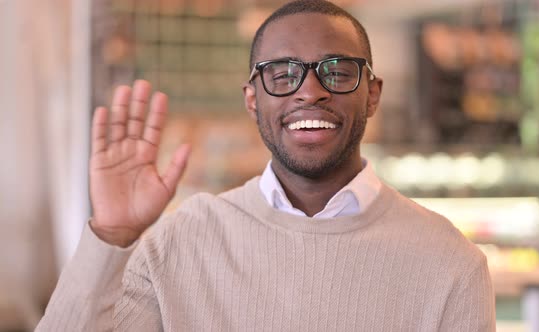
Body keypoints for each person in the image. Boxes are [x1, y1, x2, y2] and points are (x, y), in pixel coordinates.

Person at [37, 0, 495, 330]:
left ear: (372, 94)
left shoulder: (449, 264)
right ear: (252, 100)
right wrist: (112, 236)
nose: (309, 91)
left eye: (336, 70)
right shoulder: (178, 243)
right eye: (282, 73)